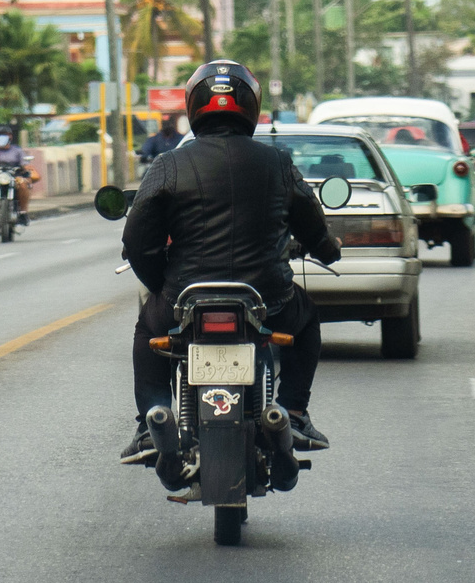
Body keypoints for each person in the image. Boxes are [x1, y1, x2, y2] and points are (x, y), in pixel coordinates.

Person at [117, 59, 342, 463]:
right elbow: (312, 225)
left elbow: (137, 238)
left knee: (147, 329)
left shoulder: (168, 164)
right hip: (268, 299)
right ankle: (293, 413)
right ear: (252, 106)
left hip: (184, 297)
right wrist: (328, 249)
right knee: (307, 317)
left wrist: (160, 285)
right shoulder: (278, 163)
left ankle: (150, 424)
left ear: (193, 106)